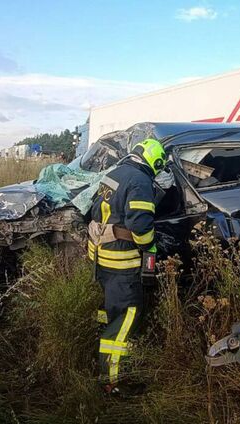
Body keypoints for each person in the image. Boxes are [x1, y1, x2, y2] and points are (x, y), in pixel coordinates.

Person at [88, 138, 167, 395]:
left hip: (101, 258)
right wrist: (150, 247)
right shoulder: (140, 181)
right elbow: (140, 226)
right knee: (126, 317)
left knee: (110, 312)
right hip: (123, 263)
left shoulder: (115, 173)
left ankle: (99, 359)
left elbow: (93, 209)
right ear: (153, 163)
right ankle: (115, 382)